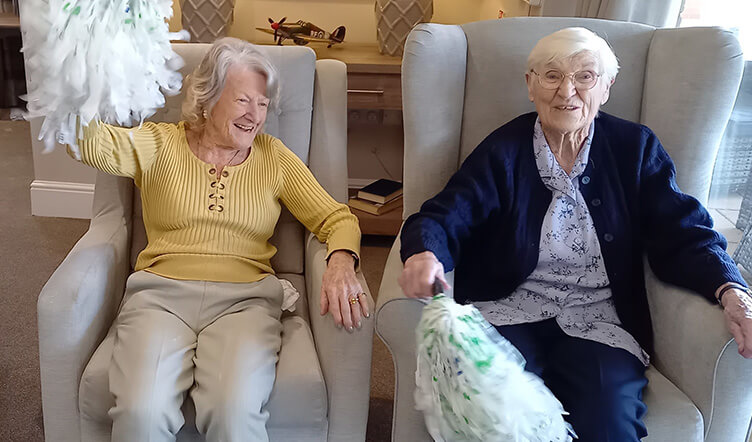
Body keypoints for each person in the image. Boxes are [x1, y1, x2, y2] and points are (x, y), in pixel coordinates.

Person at [398, 27, 752, 441]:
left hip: (601, 319)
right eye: (551, 75)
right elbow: (445, 215)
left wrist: (731, 289)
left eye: (585, 76)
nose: (567, 90)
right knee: (493, 415)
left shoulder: (634, 149)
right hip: (509, 310)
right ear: (531, 85)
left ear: (606, 87)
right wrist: (424, 253)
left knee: (609, 423)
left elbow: (684, 230)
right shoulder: (503, 150)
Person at [68, 37, 369, 442]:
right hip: (160, 298)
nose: (255, 116)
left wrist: (340, 261)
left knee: (234, 413)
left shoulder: (273, 158)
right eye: (244, 100)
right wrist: (75, 71)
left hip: (244, 303)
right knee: (141, 413)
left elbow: (336, 217)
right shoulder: (158, 144)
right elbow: (87, 142)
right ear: (208, 98)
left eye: (262, 105)